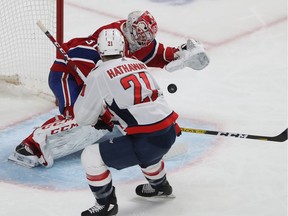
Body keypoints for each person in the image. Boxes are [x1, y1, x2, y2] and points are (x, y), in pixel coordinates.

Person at [9, 10, 209, 168]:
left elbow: (155, 53)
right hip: (67, 74)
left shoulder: (137, 37)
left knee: (109, 112)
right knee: (76, 114)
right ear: (129, 31)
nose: (142, 45)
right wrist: (105, 113)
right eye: (139, 41)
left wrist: (178, 54)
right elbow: (95, 89)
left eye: (145, 40)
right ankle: (29, 146)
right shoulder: (102, 45)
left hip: (95, 74)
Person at [74, 28, 180, 216]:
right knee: (145, 147)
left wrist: (100, 116)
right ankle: (160, 186)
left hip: (147, 140)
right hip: (169, 130)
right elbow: (157, 95)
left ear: (99, 50)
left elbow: (83, 117)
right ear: (123, 48)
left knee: (90, 156)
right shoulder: (137, 63)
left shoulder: (98, 74)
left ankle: (106, 204)